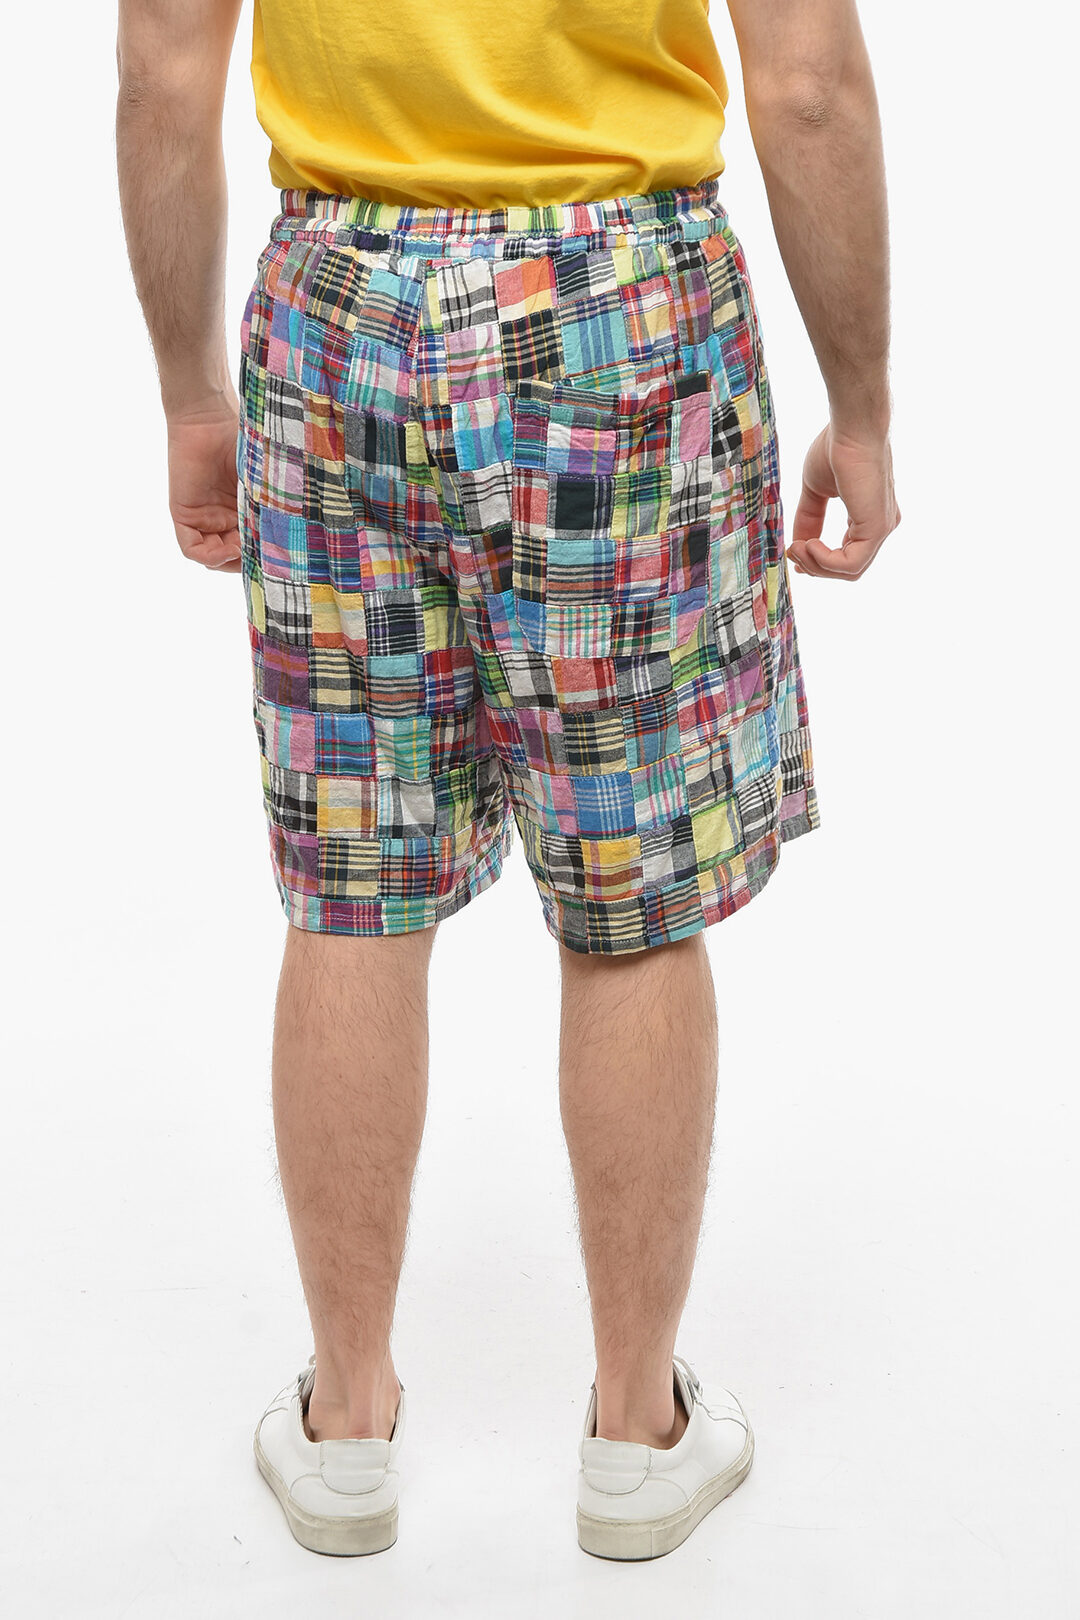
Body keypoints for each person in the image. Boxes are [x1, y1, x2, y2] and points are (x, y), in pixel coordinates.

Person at [115, 0, 899, 1563]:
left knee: (353, 881)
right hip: (617, 304)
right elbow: (806, 81)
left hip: (338, 306)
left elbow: (163, 65)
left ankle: (345, 1429)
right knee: (631, 883)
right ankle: (636, 1438)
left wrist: (192, 391)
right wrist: (864, 405)